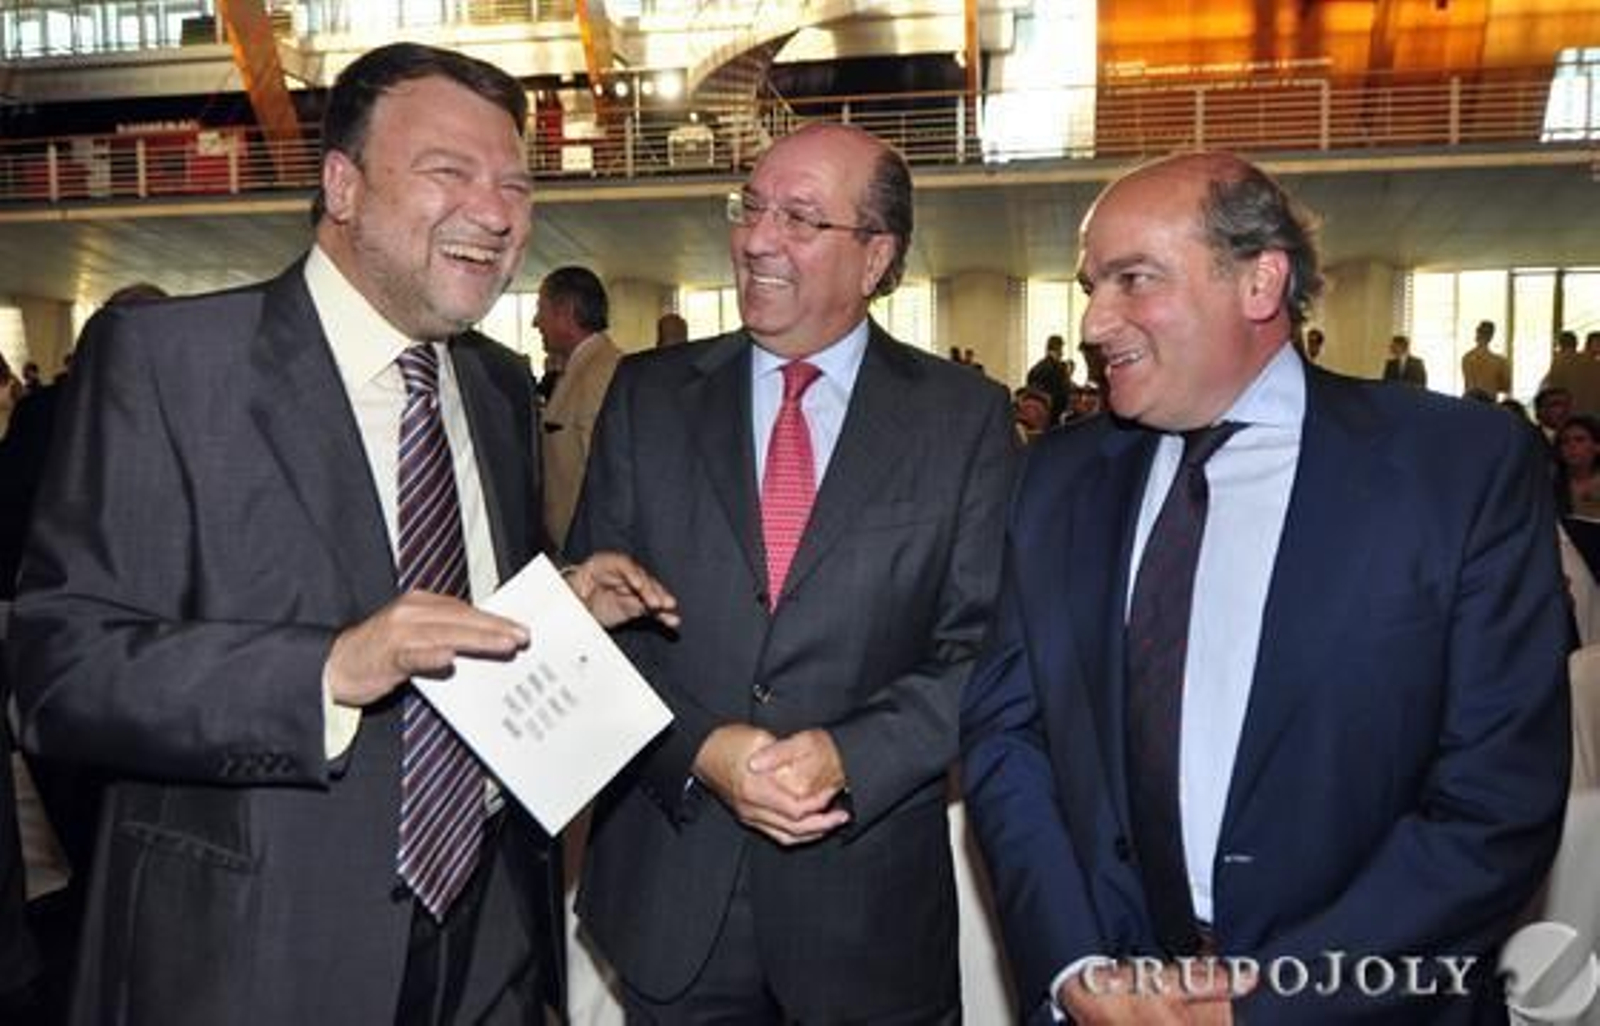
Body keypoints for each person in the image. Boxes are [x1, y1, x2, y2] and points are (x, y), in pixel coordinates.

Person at [6, 42, 678, 1026]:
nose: (496, 214)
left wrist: (557, 603)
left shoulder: (493, 388)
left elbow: (465, 624)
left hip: (490, 936)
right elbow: (63, 675)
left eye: (517, 185)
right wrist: (326, 669)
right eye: (449, 172)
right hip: (257, 949)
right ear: (343, 185)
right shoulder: (173, 366)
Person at [961, 151, 1570, 1024]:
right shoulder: (1056, 478)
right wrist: (1075, 970)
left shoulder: (1457, 470)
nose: (1095, 320)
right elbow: (1006, 736)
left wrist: (1267, 1004)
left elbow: (1497, 800)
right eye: (1092, 284)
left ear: (1260, 282)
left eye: (1133, 280)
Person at [570, 122, 1017, 1023]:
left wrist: (850, 755)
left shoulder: (962, 419)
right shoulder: (647, 399)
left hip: (869, 916)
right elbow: (594, 627)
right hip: (676, 891)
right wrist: (702, 748)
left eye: (801, 218)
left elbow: (987, 649)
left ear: (876, 257)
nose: (757, 238)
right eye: (752, 206)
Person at [535, 265, 623, 549]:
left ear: (566, 312)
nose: (536, 322)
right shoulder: (582, 368)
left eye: (541, 309)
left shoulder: (603, 373)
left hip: (590, 555)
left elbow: (611, 482)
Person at [1026, 333, 1073, 422]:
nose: (1062, 353)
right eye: (1061, 349)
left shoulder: (1036, 367)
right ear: (1058, 348)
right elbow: (1063, 392)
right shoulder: (1057, 368)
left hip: (1038, 415)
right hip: (1053, 414)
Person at [1460, 319, 1511, 398]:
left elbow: (1469, 385)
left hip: (1469, 402)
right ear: (1491, 336)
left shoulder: (1467, 358)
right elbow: (1506, 388)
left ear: (1477, 333)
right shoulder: (1500, 361)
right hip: (1489, 403)